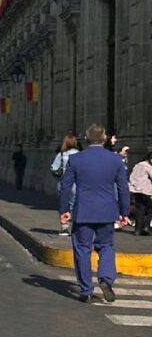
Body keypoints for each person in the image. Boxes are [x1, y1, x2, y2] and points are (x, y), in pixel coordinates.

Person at [60, 124, 130, 303]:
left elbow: (66, 186)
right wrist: (124, 212)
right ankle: (106, 278)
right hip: (107, 211)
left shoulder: (76, 160)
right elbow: (123, 188)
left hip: (83, 210)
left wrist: (64, 210)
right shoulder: (115, 160)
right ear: (105, 139)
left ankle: (86, 289)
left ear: (86, 139)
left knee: (82, 249)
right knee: (106, 246)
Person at [51, 133, 80, 235]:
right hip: (77, 184)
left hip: (64, 182)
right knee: (75, 204)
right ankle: (75, 226)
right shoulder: (80, 154)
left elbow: (54, 168)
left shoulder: (62, 155)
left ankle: (64, 227)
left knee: (64, 204)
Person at [129, 152, 152, 236]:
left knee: (139, 209)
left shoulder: (138, 165)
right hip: (146, 190)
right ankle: (146, 227)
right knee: (149, 209)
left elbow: (132, 177)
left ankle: (138, 230)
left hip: (136, 190)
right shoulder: (148, 166)